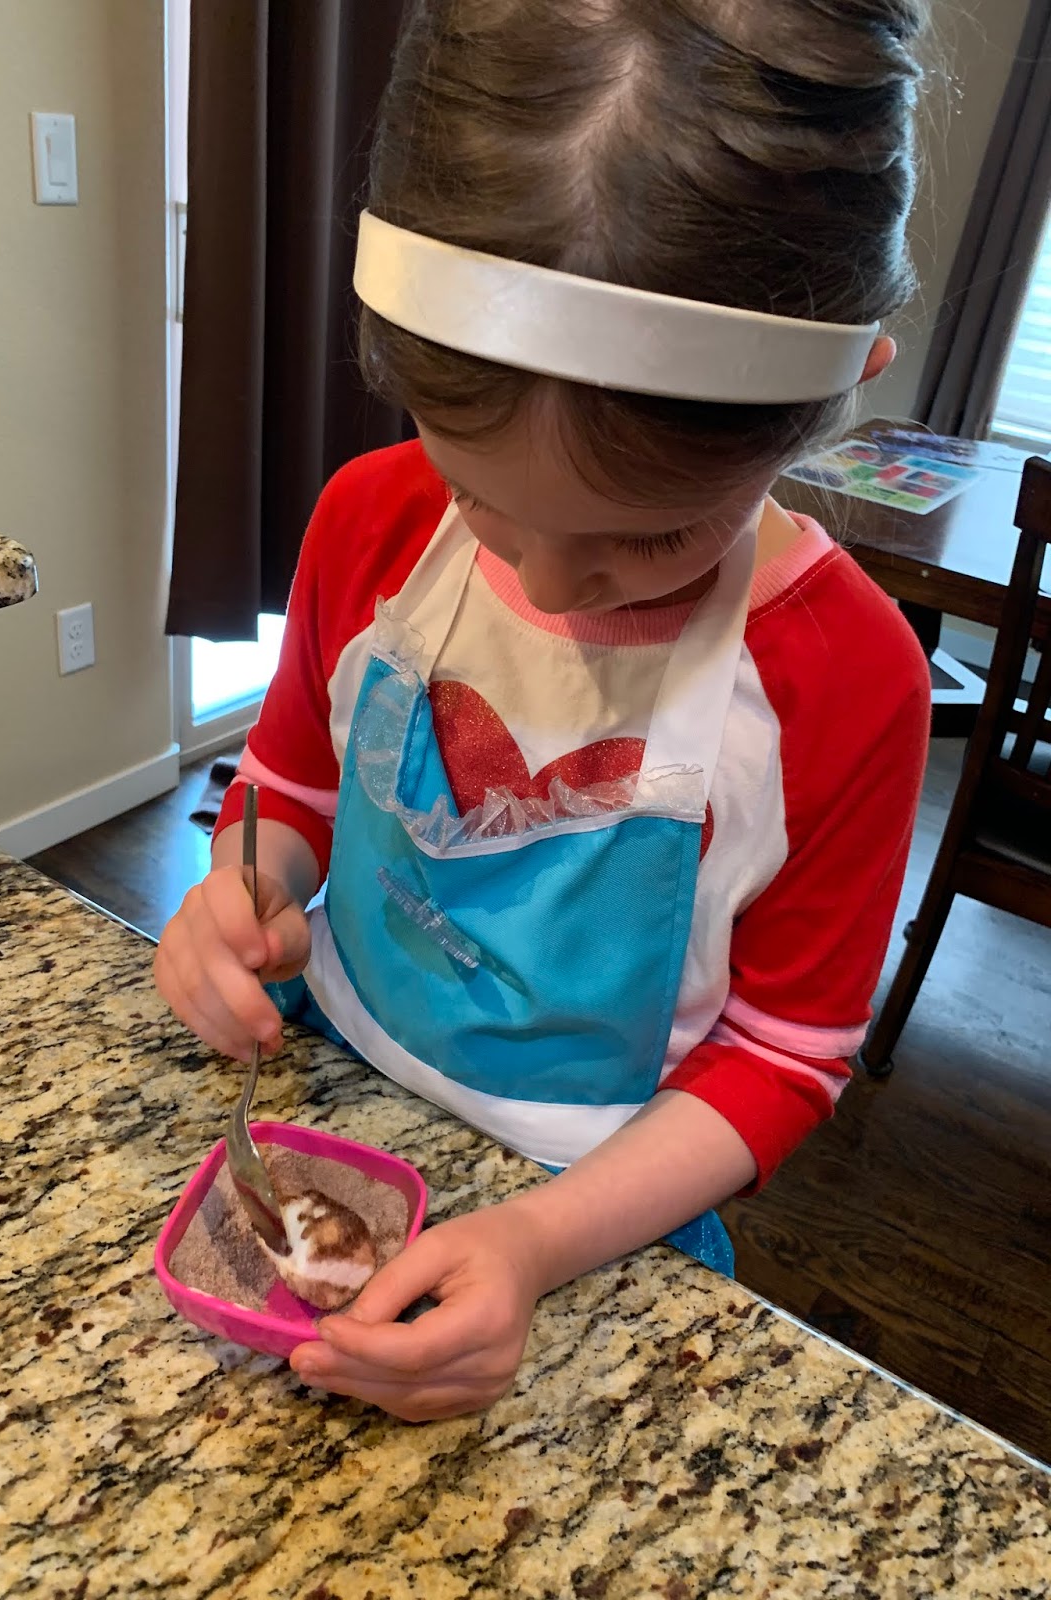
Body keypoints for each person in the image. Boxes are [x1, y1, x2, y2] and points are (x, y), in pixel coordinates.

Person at [156, 0, 931, 1422]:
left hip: (596, 1211)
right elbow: (293, 790)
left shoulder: (845, 678)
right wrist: (242, 889)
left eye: (650, 537)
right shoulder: (370, 519)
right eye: (482, 497)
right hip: (335, 1087)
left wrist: (530, 1240)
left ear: (829, 400)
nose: (552, 582)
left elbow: (785, 1055)